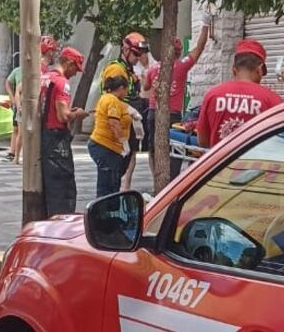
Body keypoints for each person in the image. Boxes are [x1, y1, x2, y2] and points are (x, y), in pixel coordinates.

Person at [143, 16, 212, 182]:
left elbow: (145, 88)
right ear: (179, 53)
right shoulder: (182, 66)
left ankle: (157, 180)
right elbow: (199, 48)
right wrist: (205, 25)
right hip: (172, 115)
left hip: (153, 112)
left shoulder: (153, 69)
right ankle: (171, 181)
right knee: (173, 149)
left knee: (154, 149)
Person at [197, 40, 282, 148]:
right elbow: (279, 143)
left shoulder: (212, 95)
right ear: (260, 69)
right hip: (255, 164)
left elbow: (203, 141)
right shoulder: (272, 100)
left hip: (221, 163)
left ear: (233, 69)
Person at [40, 47, 88, 215]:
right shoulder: (62, 83)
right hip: (56, 140)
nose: (75, 73)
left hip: (44, 136)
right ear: (68, 63)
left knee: (50, 187)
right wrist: (78, 114)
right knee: (64, 189)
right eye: (75, 68)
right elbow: (63, 116)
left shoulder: (45, 77)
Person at [101, 32, 149, 190]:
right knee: (116, 168)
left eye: (140, 54)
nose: (138, 57)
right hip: (118, 127)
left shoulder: (129, 71)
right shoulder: (116, 69)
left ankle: (124, 190)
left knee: (129, 159)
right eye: (135, 53)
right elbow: (112, 101)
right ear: (126, 50)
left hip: (129, 124)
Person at [88, 75, 135, 197]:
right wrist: (123, 141)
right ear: (121, 88)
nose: (126, 93)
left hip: (106, 146)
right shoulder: (112, 100)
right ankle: (105, 208)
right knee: (108, 183)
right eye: (126, 90)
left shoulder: (107, 98)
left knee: (109, 181)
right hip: (105, 146)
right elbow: (114, 122)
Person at [5, 52, 21, 162]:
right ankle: (13, 152)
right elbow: (8, 82)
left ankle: (16, 154)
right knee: (16, 129)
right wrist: (12, 96)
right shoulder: (17, 71)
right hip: (19, 104)